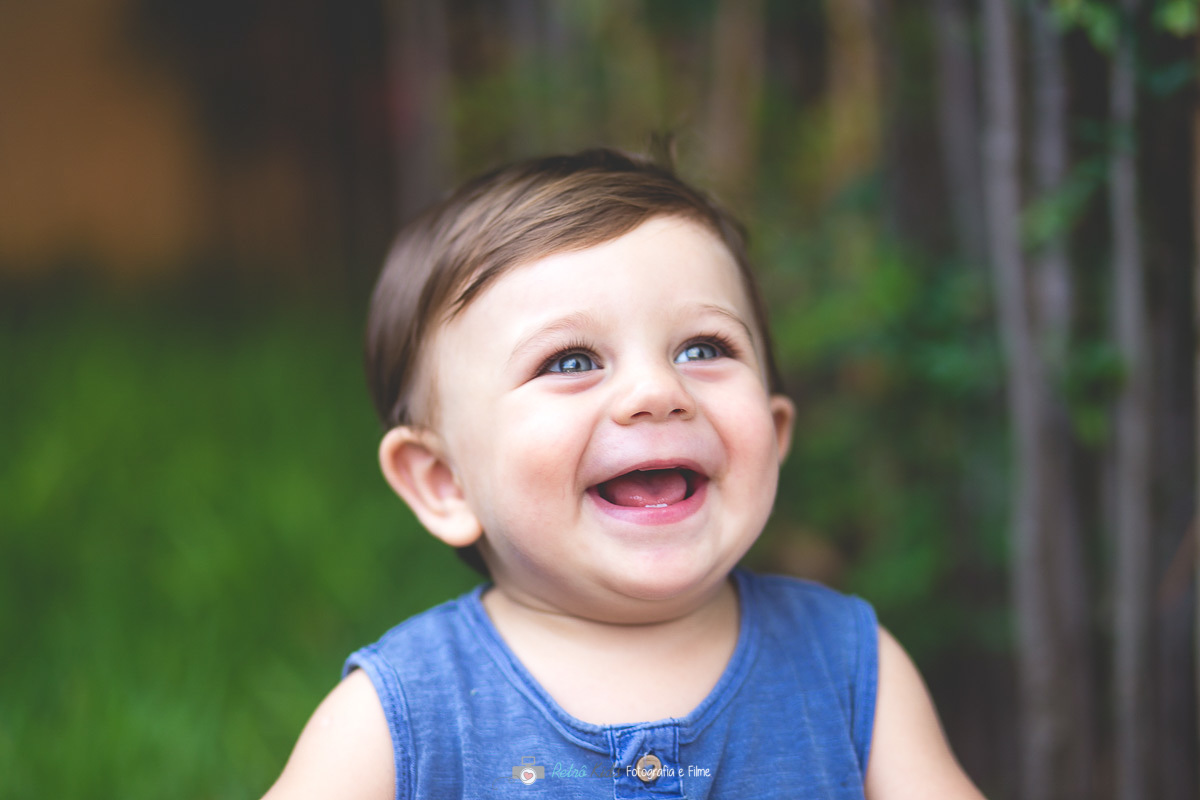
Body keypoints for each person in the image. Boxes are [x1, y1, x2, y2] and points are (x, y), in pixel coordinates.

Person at [263, 149, 986, 799]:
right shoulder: (401, 718)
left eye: (703, 348)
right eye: (571, 362)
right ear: (444, 481)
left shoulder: (849, 671)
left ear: (775, 431)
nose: (656, 391)